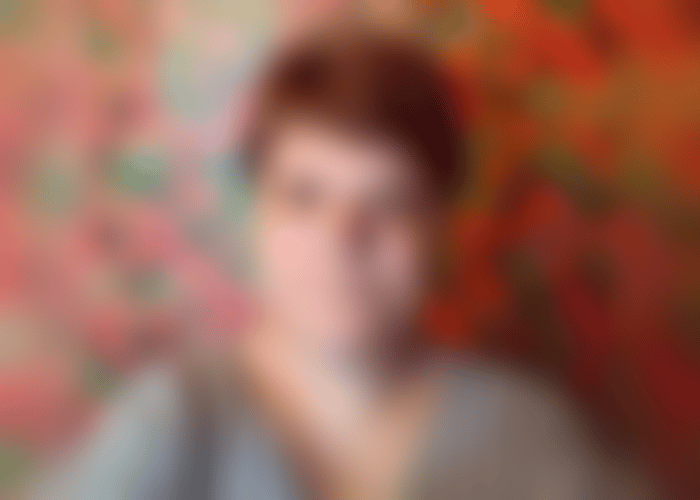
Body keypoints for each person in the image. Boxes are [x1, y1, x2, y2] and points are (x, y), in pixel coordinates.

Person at [28, 23, 652, 500]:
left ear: (438, 225)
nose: (342, 239)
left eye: (390, 203)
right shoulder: (176, 418)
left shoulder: (527, 434)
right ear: (256, 213)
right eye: (304, 197)